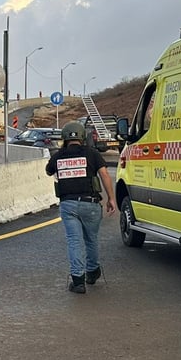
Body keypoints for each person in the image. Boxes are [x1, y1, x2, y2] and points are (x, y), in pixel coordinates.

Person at [45, 121, 117, 293]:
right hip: (90, 203)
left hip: (68, 204)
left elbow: (48, 171)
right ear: (82, 137)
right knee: (91, 239)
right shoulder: (92, 154)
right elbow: (105, 175)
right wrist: (111, 199)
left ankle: (78, 281)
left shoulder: (58, 156)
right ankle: (92, 272)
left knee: (74, 241)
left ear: (64, 138)